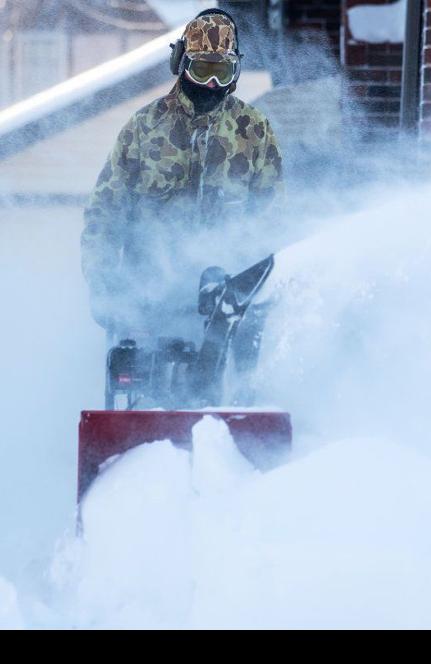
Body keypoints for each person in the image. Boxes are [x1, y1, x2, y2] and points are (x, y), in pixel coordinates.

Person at [81, 8, 283, 399]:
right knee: (141, 388)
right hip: (149, 297)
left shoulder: (254, 131)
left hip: (223, 302)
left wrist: (249, 285)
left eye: (222, 71)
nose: (212, 83)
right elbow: (105, 211)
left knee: (226, 393)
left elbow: (273, 217)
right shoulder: (144, 128)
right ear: (181, 64)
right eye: (202, 69)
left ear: (236, 71)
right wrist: (104, 282)